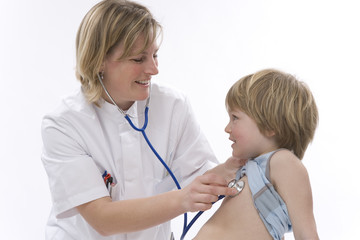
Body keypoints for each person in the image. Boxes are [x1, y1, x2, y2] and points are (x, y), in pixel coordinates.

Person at [41, 0, 242, 239]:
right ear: (98, 61)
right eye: (138, 59)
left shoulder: (173, 105)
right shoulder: (65, 124)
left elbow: (201, 176)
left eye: (155, 55)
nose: (154, 69)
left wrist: (234, 166)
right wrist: (183, 198)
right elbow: (103, 219)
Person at [194, 69, 320, 240]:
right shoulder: (250, 168)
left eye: (235, 118)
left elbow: (306, 234)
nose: (227, 128)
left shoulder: (284, 162)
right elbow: (199, 191)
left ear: (270, 126)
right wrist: (226, 168)